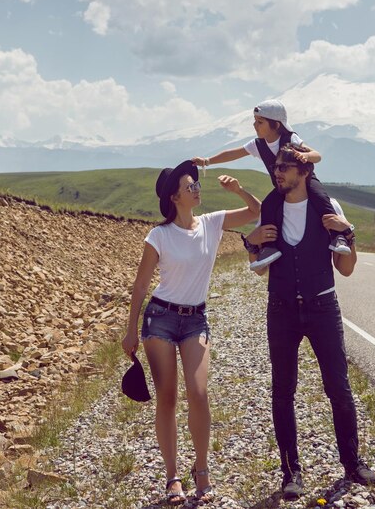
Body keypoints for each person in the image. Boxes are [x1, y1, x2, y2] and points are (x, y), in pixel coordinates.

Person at [242, 143, 375, 501]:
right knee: (283, 392)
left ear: (304, 172)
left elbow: (345, 270)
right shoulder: (271, 208)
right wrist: (250, 244)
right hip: (281, 309)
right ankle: (290, 473)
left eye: (285, 168)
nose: (278, 173)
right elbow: (259, 269)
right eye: (276, 168)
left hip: (322, 308)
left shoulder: (327, 207)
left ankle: (352, 463)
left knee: (339, 388)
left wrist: (349, 234)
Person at [121, 159, 260, 505]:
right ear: (174, 197)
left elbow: (257, 211)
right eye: (190, 186)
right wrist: (130, 332)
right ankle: (172, 478)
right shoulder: (159, 235)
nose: (197, 189)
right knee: (167, 398)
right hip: (160, 320)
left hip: (196, 320)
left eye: (197, 184)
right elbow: (140, 287)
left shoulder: (212, 224)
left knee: (199, 393)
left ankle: (202, 472)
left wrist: (238, 189)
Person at [192, 99, 351, 273]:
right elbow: (234, 153)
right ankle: (269, 247)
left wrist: (305, 156)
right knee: (267, 206)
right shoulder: (258, 145)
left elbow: (317, 155)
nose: (255, 125)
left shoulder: (291, 139)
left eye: (260, 122)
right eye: (255, 121)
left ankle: (339, 237)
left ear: (276, 125)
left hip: (305, 181)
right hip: (281, 188)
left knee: (322, 199)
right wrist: (207, 161)